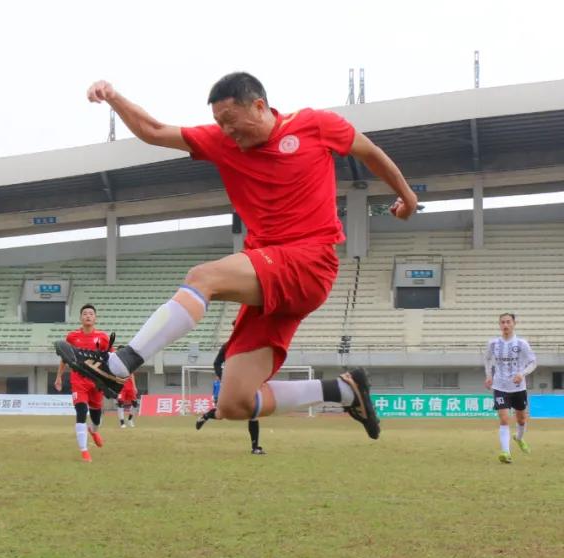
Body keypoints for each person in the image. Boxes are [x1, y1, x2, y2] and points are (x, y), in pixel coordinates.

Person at [57, 73, 421, 437]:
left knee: (204, 277)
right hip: (272, 278)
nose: (226, 131)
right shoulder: (220, 142)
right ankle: (345, 390)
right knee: (235, 402)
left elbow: (369, 152)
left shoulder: (315, 125)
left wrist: (408, 197)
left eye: (231, 121)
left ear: (259, 106)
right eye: (219, 123)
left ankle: (119, 364)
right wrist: (114, 96)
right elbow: (153, 130)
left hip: (309, 263)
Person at [53, 304, 112, 461]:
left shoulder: (103, 338)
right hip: (78, 380)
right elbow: (65, 358)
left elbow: (111, 359)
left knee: (96, 418)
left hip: (96, 381)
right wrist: (59, 376)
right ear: (80, 318)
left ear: (95, 318)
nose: (88, 316)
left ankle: (93, 430)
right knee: (80, 412)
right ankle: (84, 451)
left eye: (91, 314)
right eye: (85, 313)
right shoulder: (72, 337)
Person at [483, 313, 537, 463]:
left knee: (521, 419)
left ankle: (519, 438)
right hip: (500, 385)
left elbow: (533, 362)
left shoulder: (522, 344)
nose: (505, 325)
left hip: (518, 387)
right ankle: (505, 453)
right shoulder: (493, 343)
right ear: (499, 325)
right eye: (502, 322)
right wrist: (488, 376)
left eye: (508, 322)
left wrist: (522, 373)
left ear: (514, 324)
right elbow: (487, 359)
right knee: (504, 418)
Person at [196, 341, 264, 454]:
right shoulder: (228, 346)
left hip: (246, 382)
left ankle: (255, 447)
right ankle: (206, 416)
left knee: (253, 413)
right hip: (231, 383)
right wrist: (225, 377)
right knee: (223, 413)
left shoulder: (251, 344)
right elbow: (217, 363)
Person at [115, 353, 139, 428]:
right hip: (121, 387)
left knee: (135, 404)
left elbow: (132, 375)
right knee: (120, 403)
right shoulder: (115, 363)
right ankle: (122, 423)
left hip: (130, 386)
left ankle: (130, 419)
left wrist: (134, 386)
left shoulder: (129, 363)